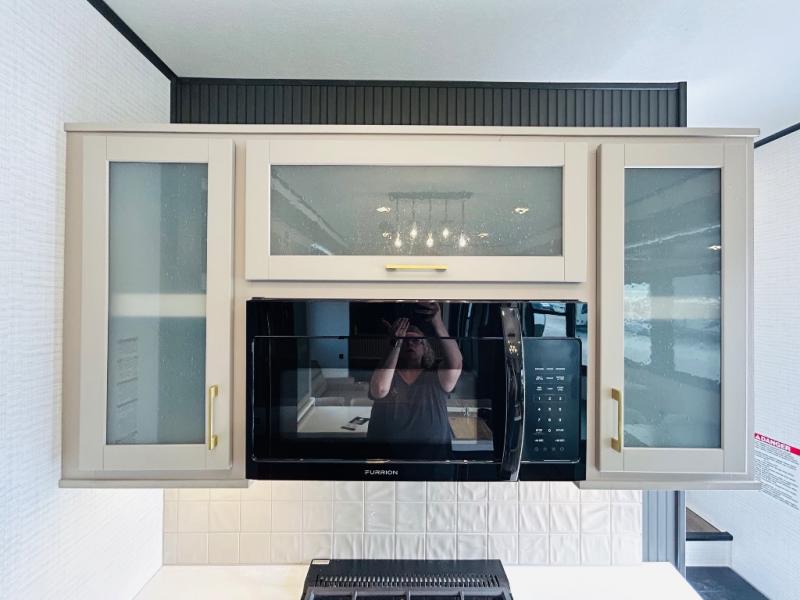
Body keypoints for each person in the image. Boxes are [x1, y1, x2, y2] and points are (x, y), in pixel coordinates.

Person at [366, 302, 463, 447]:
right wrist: (396, 343)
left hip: (432, 457)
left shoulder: (435, 375)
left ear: (425, 348)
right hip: (386, 456)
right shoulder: (387, 373)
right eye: (405, 341)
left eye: (416, 340)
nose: (410, 344)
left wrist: (438, 323)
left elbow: (456, 364)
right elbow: (379, 389)